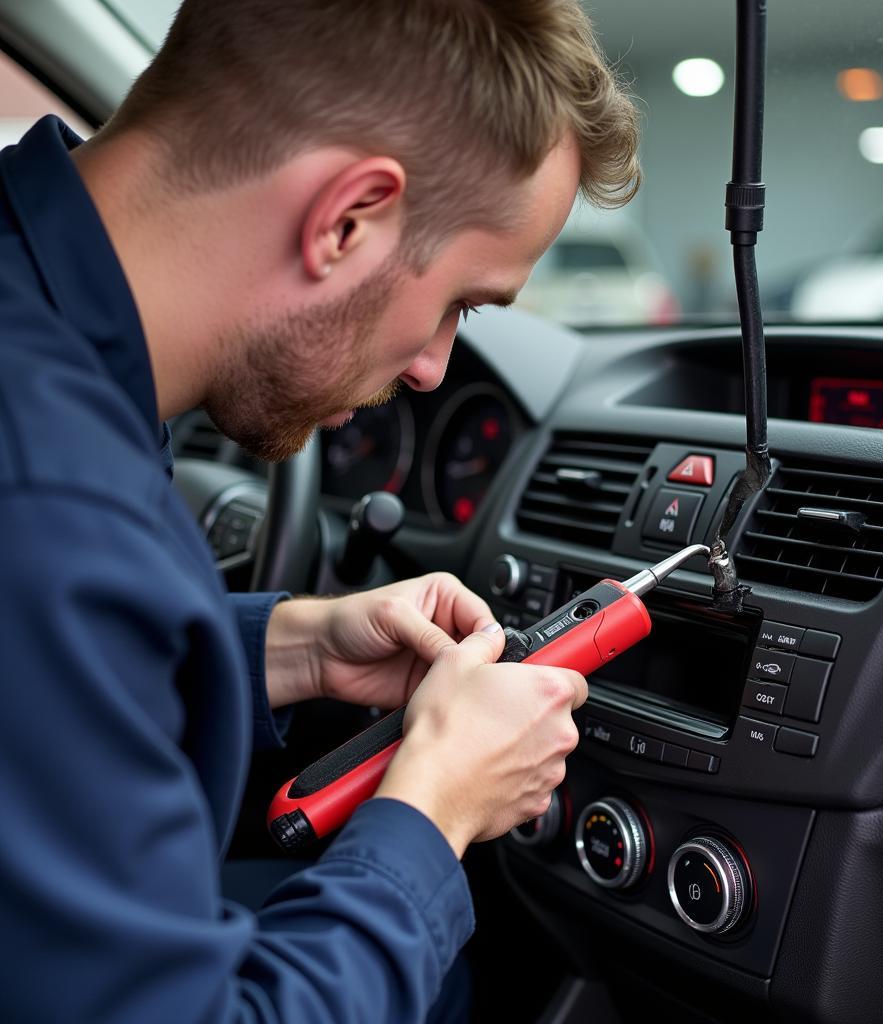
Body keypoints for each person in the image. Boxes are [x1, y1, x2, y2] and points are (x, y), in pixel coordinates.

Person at [0, 1, 640, 1020]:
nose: (434, 369)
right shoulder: (58, 508)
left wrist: (274, 649)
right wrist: (433, 811)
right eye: (459, 303)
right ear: (347, 220)